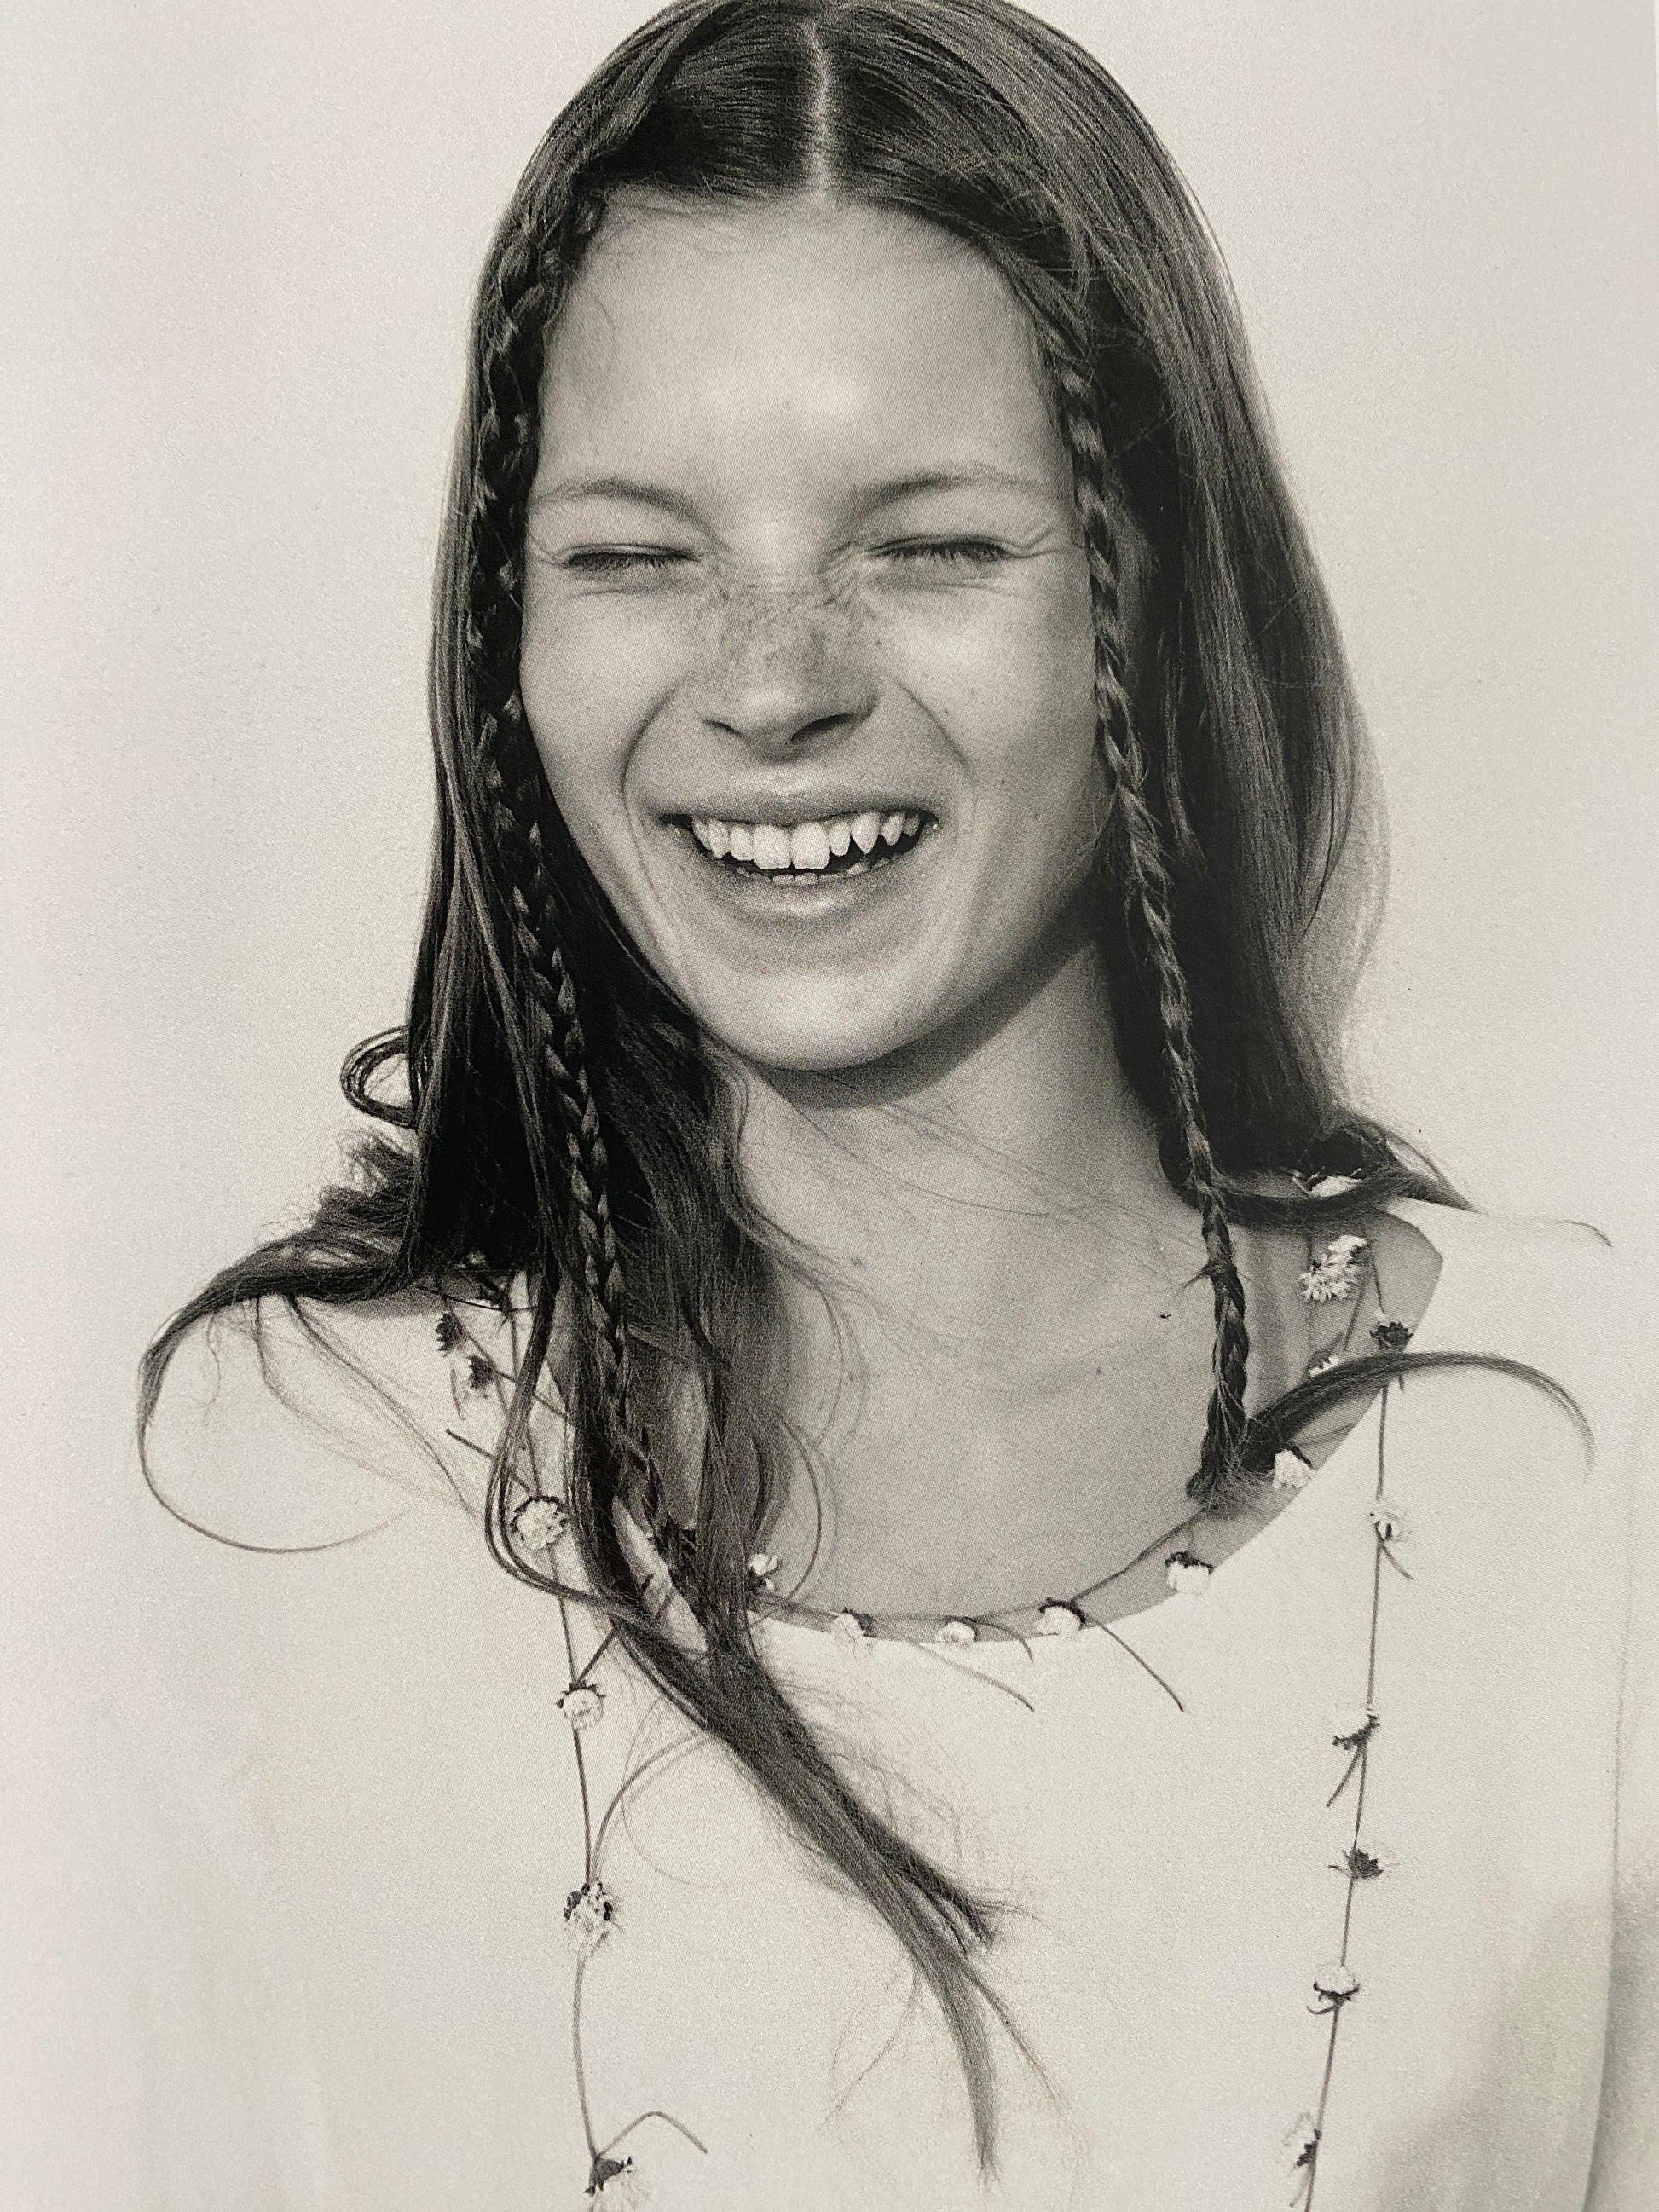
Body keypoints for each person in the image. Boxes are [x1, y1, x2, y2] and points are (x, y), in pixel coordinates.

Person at [127, 2, 1657, 2205]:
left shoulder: (1583, 1469)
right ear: (501, 637)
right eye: (636, 553)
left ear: (1152, 594)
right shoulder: (277, 1481)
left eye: (928, 547)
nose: (770, 684)